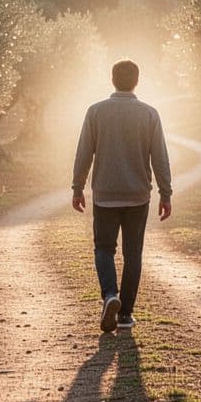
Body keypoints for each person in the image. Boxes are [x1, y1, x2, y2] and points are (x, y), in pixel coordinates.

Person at [71, 59, 172, 333]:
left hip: (105, 194)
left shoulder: (95, 112)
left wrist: (77, 187)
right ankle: (125, 315)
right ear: (136, 81)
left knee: (104, 249)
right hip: (138, 196)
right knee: (133, 254)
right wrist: (166, 193)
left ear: (112, 80)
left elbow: (84, 153)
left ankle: (110, 295)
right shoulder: (149, 114)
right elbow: (160, 158)